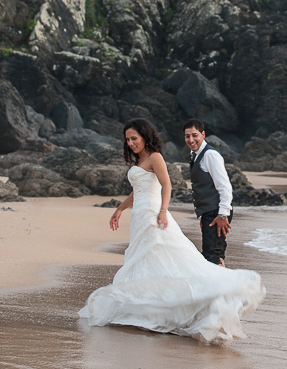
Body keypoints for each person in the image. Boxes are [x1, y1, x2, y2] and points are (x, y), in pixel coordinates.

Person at [78, 118, 265, 343]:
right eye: (127, 140)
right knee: (145, 258)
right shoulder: (140, 159)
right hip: (139, 216)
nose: (130, 143)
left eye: (134, 138)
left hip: (153, 214)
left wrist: (164, 210)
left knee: (166, 254)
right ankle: (150, 305)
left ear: (145, 136)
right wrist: (119, 209)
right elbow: (138, 190)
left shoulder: (156, 157)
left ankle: (208, 298)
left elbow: (167, 185)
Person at [183, 118, 233, 267]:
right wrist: (204, 214)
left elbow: (224, 186)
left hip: (217, 212)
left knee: (212, 256)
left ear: (203, 134)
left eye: (194, 135)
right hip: (210, 212)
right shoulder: (197, 154)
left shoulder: (210, 155)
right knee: (213, 254)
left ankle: (225, 288)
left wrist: (222, 214)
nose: (191, 140)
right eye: (187, 136)